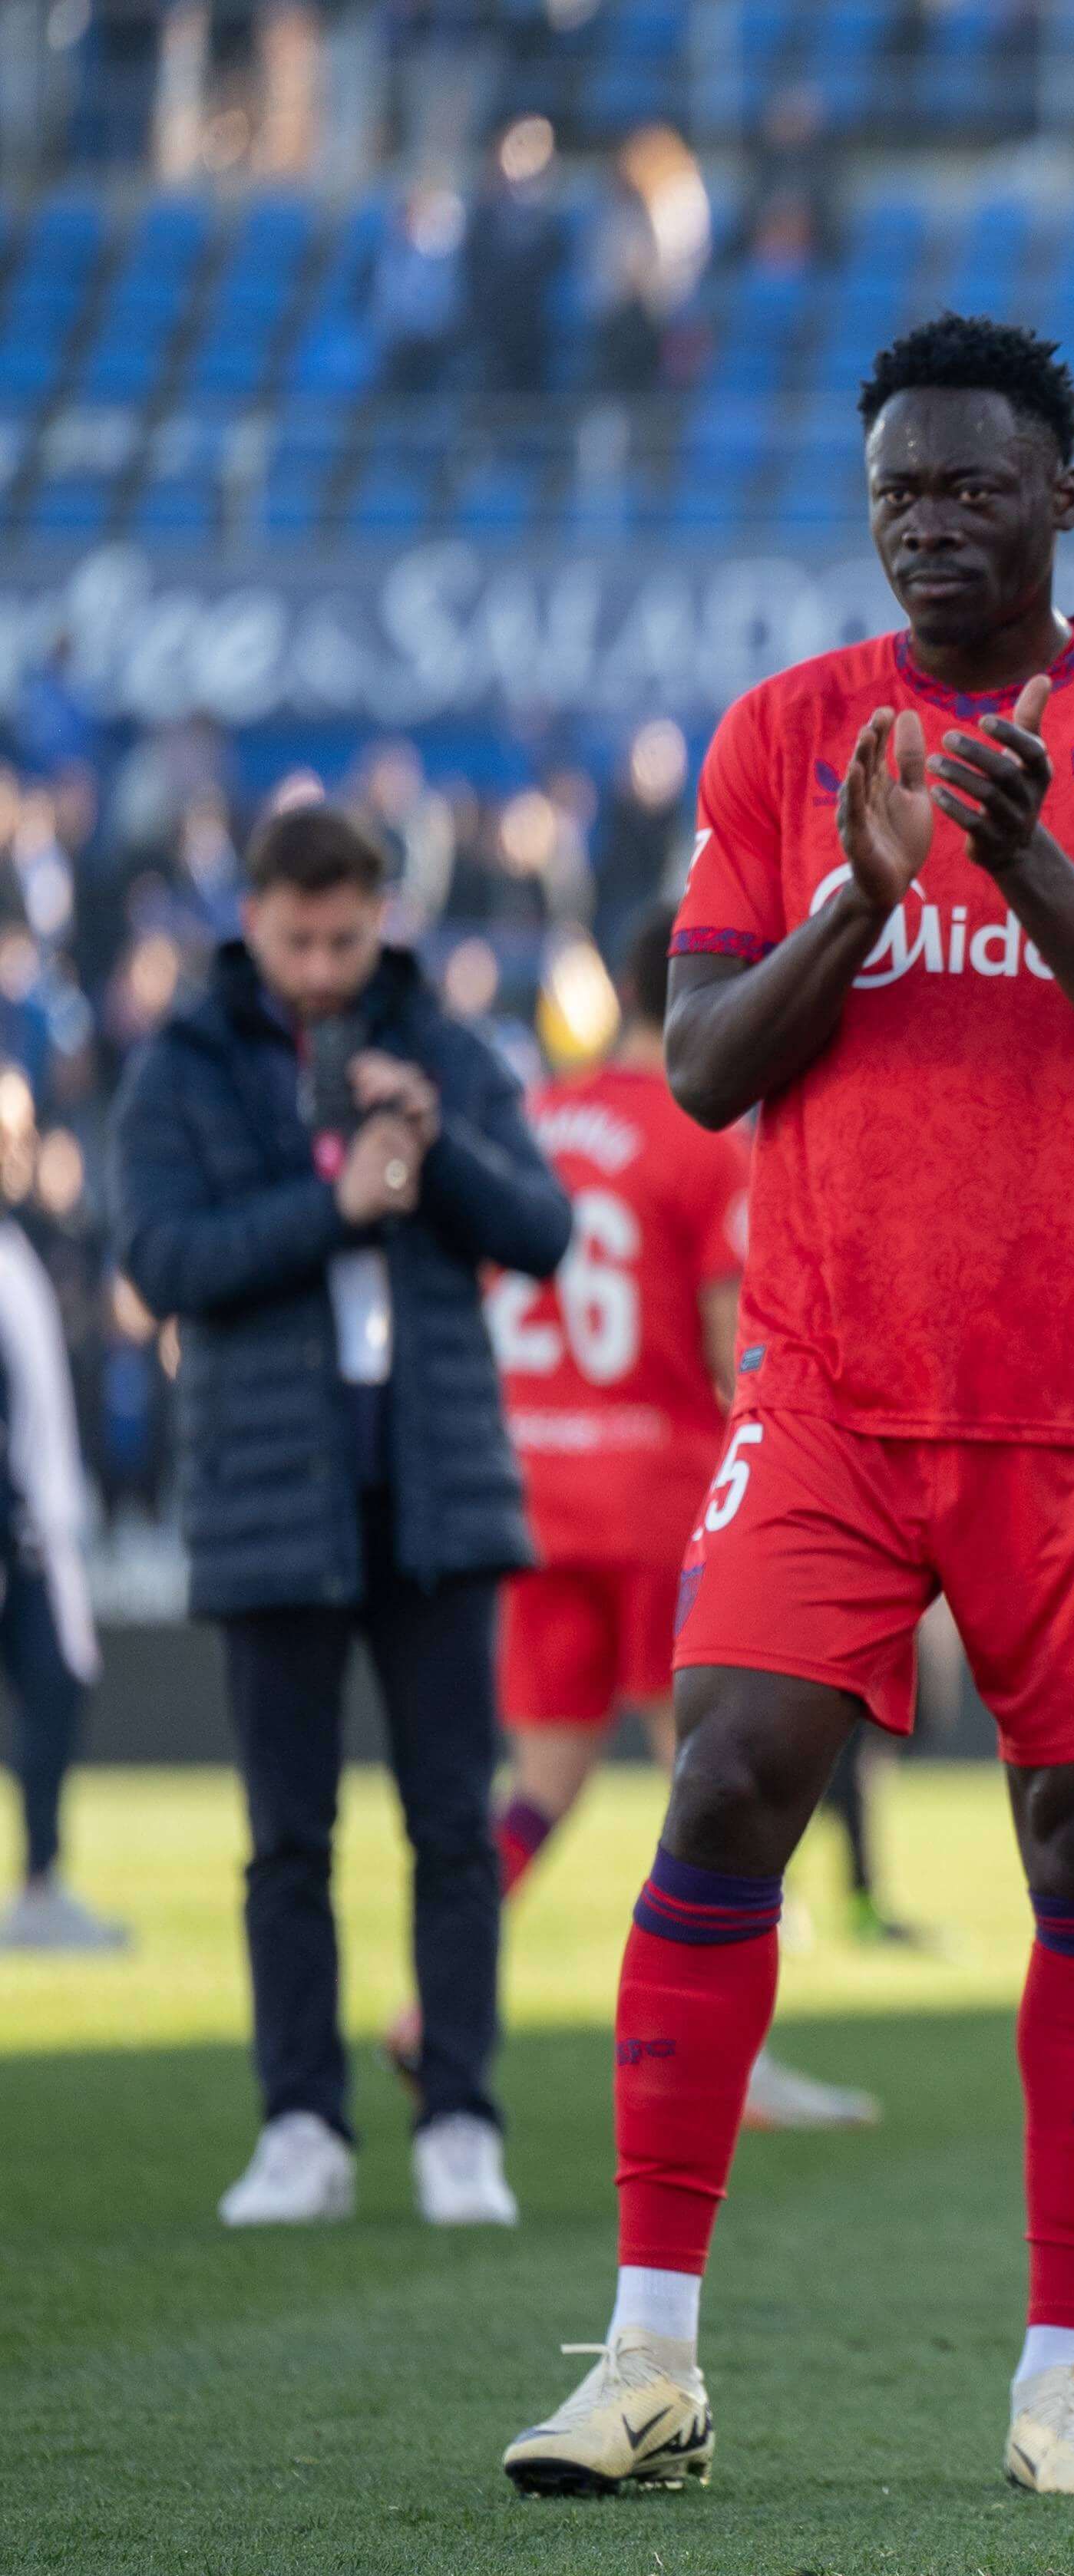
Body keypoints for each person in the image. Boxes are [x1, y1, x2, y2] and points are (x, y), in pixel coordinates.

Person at [501, 314, 1074, 2502]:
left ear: (1062, 500)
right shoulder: (785, 736)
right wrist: (863, 883)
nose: (929, 526)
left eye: (971, 489)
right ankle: (648, 2356)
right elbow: (705, 1065)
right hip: (833, 1380)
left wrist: (1030, 864)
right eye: (897, 496)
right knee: (726, 1780)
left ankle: (1064, 2380)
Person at [108, 802, 572, 2230]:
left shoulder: (443, 1046)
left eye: (346, 939)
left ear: (384, 920)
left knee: (453, 1828)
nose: (321, 967)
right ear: (252, 918)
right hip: (269, 1492)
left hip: (437, 1486)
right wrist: (338, 1202)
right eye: (299, 939)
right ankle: (301, 2122)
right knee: (287, 1838)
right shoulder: (183, 1063)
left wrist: (433, 1145)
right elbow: (160, 1258)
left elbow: (543, 1229)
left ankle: (460, 2122)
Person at [433, 902, 872, 2131]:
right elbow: (738, 1349)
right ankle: (730, 2057)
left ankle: (430, 1999)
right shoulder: (701, 1137)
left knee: (543, 1777)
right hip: (659, 1501)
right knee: (733, 1779)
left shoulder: (531, 1120)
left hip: (531, 1489)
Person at [0, 1064, 107, 1954]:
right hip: (20, 1530)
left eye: (23, 1133)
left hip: (39, 1526)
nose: (18, 1150)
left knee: (58, 1688)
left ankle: (40, 1882)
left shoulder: (22, 1245)